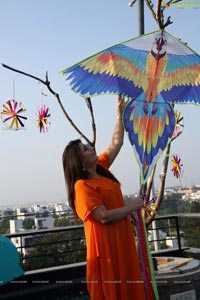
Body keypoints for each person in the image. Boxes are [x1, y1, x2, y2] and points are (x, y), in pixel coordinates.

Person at [62, 95, 146, 300]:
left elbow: (116, 143)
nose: (91, 148)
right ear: (79, 160)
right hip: (107, 250)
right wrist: (132, 206)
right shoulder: (82, 186)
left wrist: (120, 115)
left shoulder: (101, 168)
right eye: (85, 149)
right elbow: (103, 217)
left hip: (122, 241)